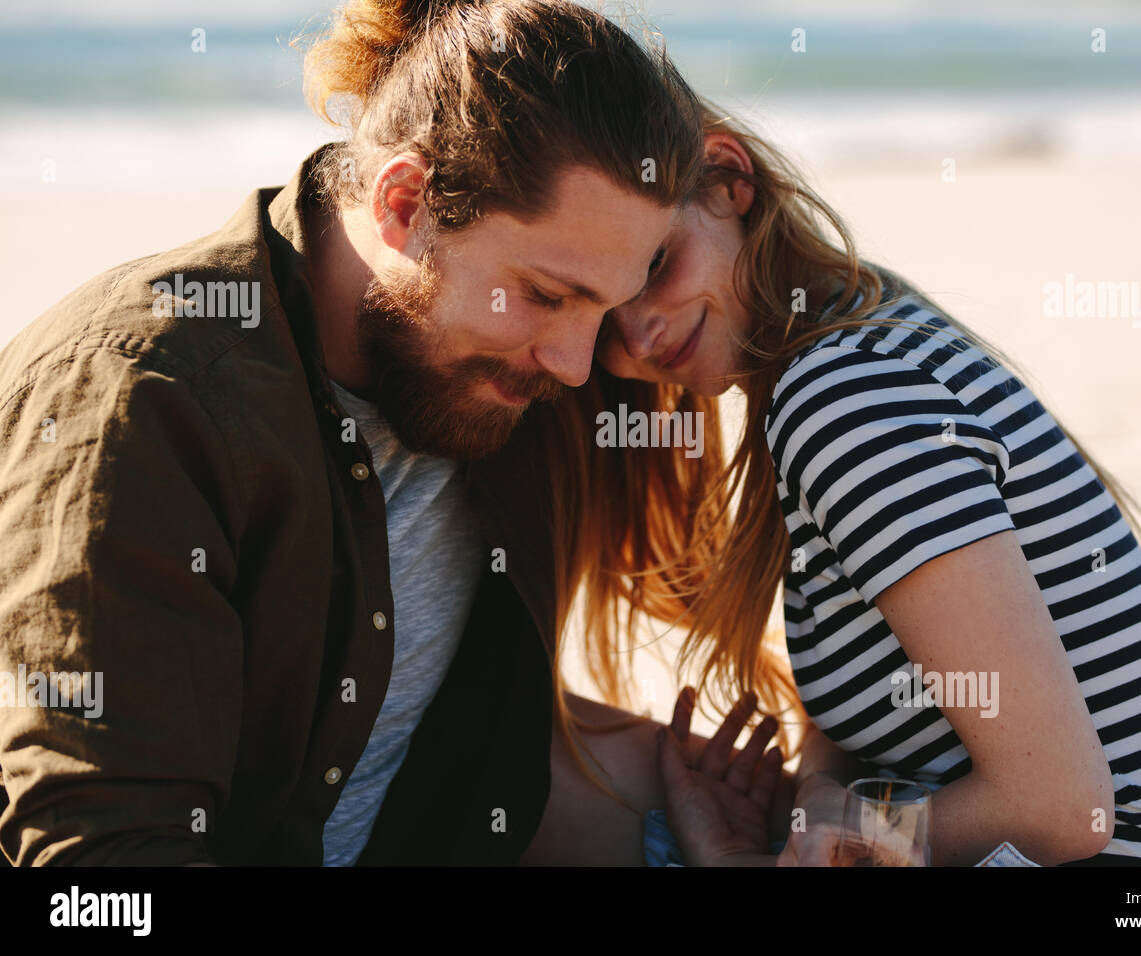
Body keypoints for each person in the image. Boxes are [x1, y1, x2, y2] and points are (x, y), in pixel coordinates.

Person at [0, 0, 704, 866]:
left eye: (610, 302)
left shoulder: (516, 368)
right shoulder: (147, 400)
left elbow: (764, 281)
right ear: (403, 204)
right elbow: (97, 861)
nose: (572, 363)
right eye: (545, 295)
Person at [540, 100, 1141, 867]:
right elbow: (869, 706)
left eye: (654, 266)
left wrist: (792, 846)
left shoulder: (840, 398)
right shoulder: (858, 328)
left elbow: (1062, 811)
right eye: (603, 317)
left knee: (519, 775)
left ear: (728, 179)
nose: (639, 330)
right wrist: (816, 800)